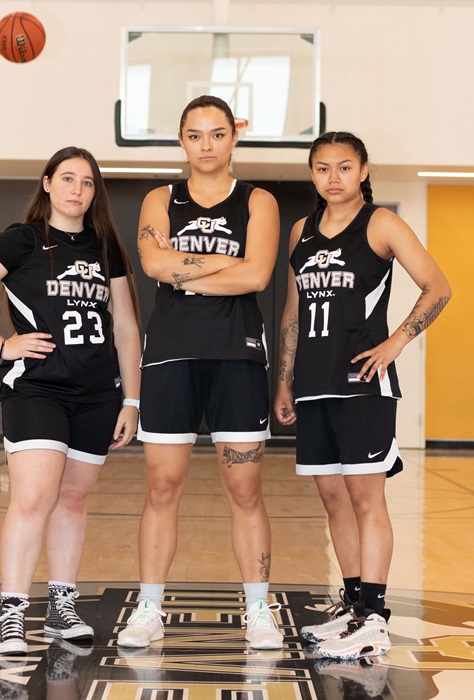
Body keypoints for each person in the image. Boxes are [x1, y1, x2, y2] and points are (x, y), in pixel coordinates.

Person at [0, 146, 141, 655]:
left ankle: (62, 606)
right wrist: (2, 344)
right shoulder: (22, 240)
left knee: (72, 500)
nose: (78, 189)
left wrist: (131, 400)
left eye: (88, 182)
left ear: (95, 192)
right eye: (68, 179)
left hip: (97, 395)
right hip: (37, 388)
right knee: (33, 498)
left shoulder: (105, 248)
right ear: (48, 184)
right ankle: (12, 612)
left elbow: (125, 327)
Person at [274, 131, 451, 659]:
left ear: (364, 170)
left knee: (364, 497)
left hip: (363, 382)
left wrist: (396, 341)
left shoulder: (381, 223)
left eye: (345, 167)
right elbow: (293, 310)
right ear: (312, 174)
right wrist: (284, 378)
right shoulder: (301, 232)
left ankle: (374, 615)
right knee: (333, 498)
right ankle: (353, 607)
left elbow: (438, 286)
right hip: (312, 383)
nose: (334, 177)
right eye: (323, 168)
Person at [117, 95, 283, 650]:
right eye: (195, 135)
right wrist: (222, 268)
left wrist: (184, 273)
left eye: (217, 134)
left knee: (245, 488)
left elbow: (258, 275)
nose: (206, 145)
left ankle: (259, 611)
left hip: (238, 356)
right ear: (181, 139)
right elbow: (152, 264)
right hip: (170, 355)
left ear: (234, 136)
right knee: (162, 487)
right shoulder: (159, 198)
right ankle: (147, 609)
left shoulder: (258, 200)